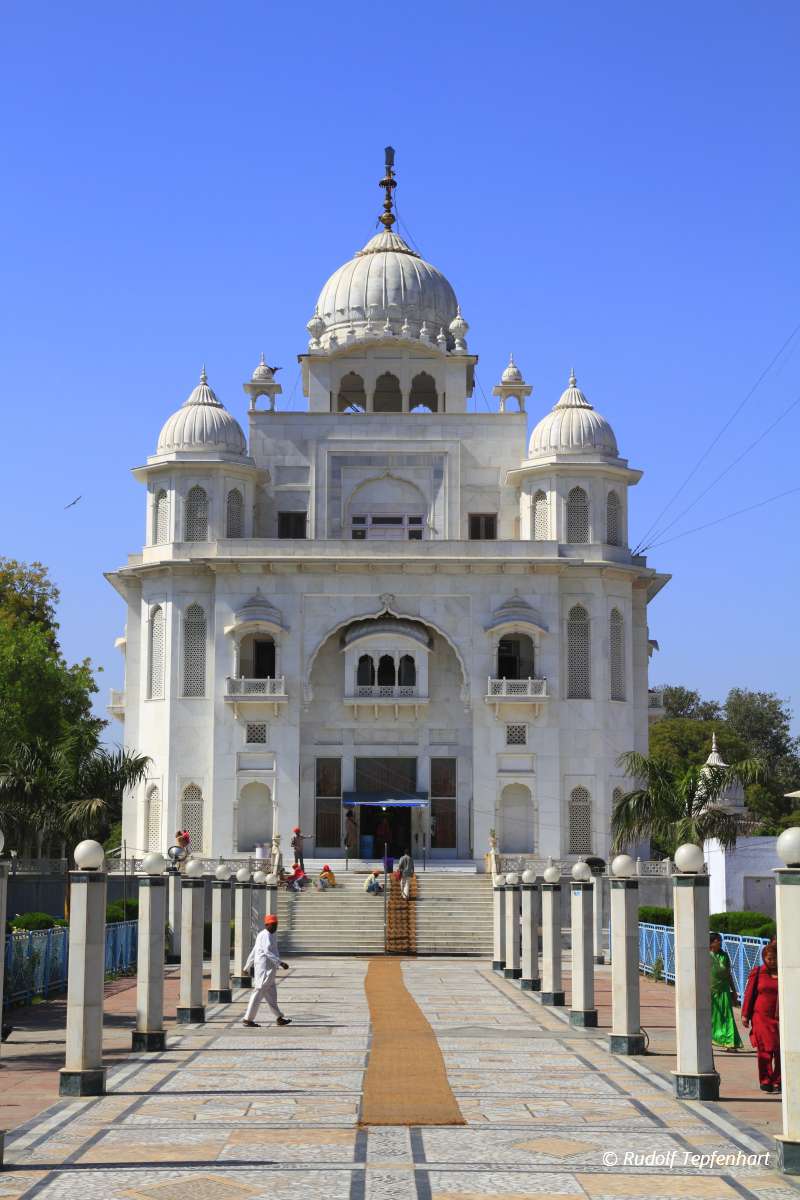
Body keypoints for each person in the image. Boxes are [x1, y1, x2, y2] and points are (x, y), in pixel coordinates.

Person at [742, 942, 780, 1093]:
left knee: (779, 1049)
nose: (772, 961)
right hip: (761, 1017)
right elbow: (749, 994)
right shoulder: (757, 972)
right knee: (764, 1048)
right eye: (769, 958)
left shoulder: (785, 972)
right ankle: (765, 1080)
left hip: (779, 1017)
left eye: (775, 958)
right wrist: (745, 1014)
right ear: (764, 958)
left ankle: (778, 1080)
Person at [241, 914, 292, 1028]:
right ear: (266, 925)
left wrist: (246, 967)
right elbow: (268, 952)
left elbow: (254, 951)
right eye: (273, 925)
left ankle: (279, 1017)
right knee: (258, 993)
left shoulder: (268, 935)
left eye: (276, 925)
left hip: (270, 971)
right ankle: (247, 1019)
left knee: (272, 995)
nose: (275, 927)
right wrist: (281, 963)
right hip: (264, 971)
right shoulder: (265, 935)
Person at [709, 933, 742, 1051]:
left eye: (720, 940)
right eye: (717, 940)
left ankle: (731, 1042)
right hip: (710, 992)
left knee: (727, 1016)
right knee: (713, 1017)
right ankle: (714, 1038)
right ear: (711, 943)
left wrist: (734, 990)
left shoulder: (724, 956)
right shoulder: (706, 955)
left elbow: (728, 975)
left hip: (724, 991)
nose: (720, 942)